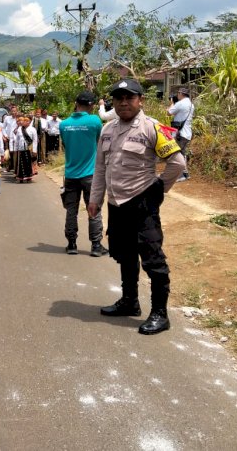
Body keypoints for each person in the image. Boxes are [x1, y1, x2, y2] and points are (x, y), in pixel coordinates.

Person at [87, 78, 185, 335]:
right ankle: (129, 301)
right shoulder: (107, 130)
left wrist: (158, 191)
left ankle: (160, 314)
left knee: (153, 259)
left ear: (140, 100)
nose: (123, 102)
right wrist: (95, 199)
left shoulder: (153, 128)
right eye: (118, 98)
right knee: (124, 255)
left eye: (129, 97)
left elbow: (177, 163)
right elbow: (100, 168)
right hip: (116, 204)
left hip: (142, 204)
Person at [59, 91, 108, 257]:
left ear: (75, 103)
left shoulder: (64, 124)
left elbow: (66, 145)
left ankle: (71, 244)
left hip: (71, 174)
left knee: (71, 210)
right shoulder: (95, 121)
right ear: (92, 105)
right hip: (90, 174)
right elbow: (99, 141)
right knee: (93, 208)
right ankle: (95, 246)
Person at [167, 87, 194, 182]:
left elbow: (169, 112)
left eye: (178, 93)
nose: (177, 95)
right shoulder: (191, 104)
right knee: (182, 153)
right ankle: (185, 174)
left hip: (180, 134)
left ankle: (180, 175)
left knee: (176, 154)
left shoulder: (180, 103)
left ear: (181, 94)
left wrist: (171, 103)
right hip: (187, 133)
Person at [12, 115, 38, 183]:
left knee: (28, 163)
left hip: (29, 149)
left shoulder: (33, 129)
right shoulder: (19, 129)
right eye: (24, 121)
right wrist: (15, 149)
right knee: (21, 164)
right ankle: (21, 177)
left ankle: (28, 177)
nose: (25, 122)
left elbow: (35, 140)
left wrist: (35, 150)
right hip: (20, 149)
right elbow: (17, 140)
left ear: (29, 122)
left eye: (27, 121)